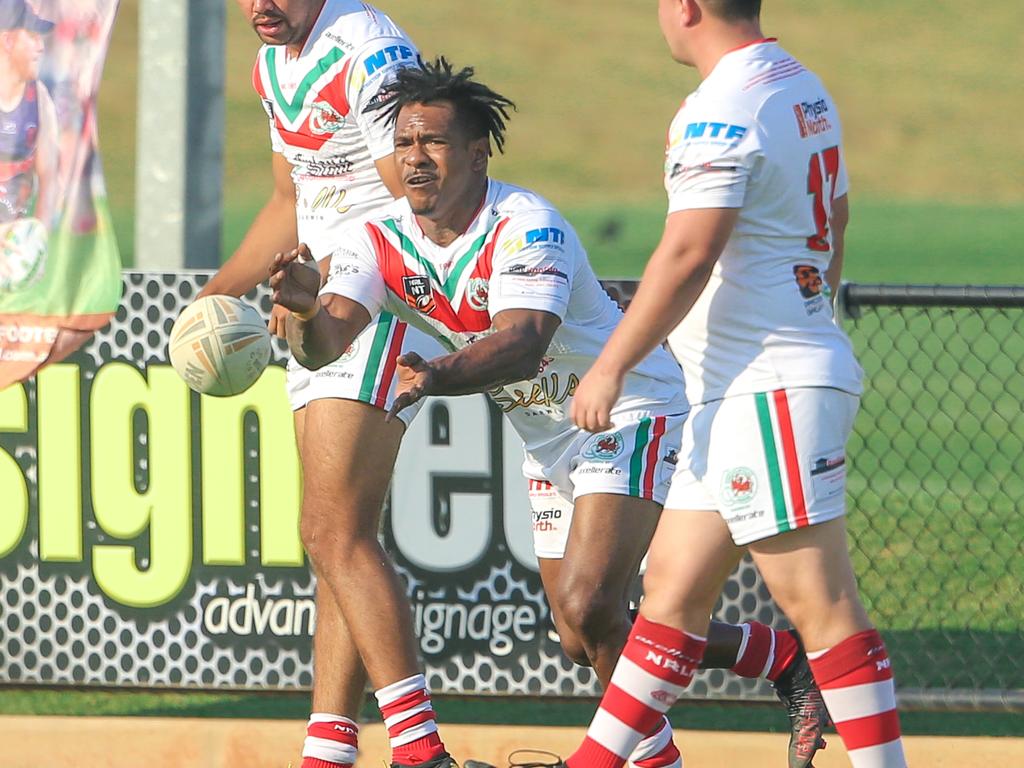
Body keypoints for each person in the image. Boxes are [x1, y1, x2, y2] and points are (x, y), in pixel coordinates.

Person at [272, 57, 828, 768]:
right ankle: (780, 657)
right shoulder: (374, 237)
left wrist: (435, 373)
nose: (415, 159)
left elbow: (524, 344)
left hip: (627, 409)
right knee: (580, 631)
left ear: (477, 155)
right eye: (405, 143)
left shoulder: (526, 224)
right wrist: (300, 309)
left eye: (434, 143)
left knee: (591, 601)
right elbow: (328, 343)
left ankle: (658, 762)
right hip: (550, 442)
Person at [565, 1, 908, 767]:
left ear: (685, 7)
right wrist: (810, 314)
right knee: (670, 599)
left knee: (821, 607)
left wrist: (613, 364)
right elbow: (838, 219)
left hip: (766, 388)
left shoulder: (722, 108)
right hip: (747, 386)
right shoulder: (799, 85)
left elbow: (687, 252)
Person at [199, 3, 456, 767]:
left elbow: (422, 194)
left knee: (331, 531)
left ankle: (419, 751)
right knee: (334, 535)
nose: (258, 6)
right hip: (321, 298)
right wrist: (216, 295)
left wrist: (347, 288)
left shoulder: (366, 50)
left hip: (377, 294)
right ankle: (330, 749)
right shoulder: (272, 62)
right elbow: (290, 201)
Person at [0, 0, 58, 227]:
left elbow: (50, 180)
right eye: (33, 36)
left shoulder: (39, 100)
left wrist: (38, 240)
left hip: (13, 248)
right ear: (7, 40)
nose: (41, 47)